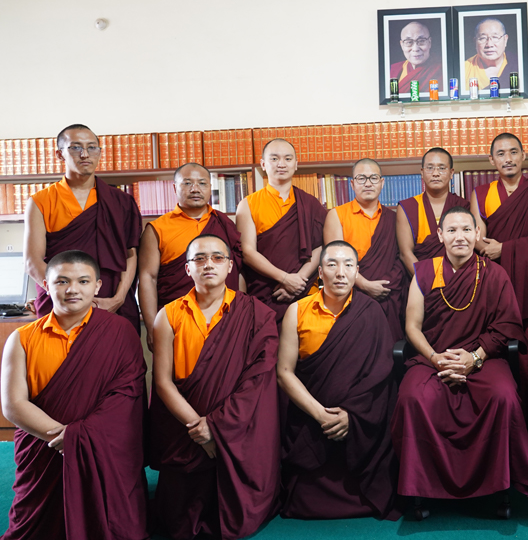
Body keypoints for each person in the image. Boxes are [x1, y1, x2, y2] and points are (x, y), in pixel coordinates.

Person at [392, 207, 528, 504]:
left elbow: (506, 325)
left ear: (477, 234)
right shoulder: (425, 271)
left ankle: (499, 485)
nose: (459, 236)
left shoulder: (494, 273)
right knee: (412, 397)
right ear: (440, 235)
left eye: (466, 230)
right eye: (452, 230)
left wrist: (475, 358)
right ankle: (419, 488)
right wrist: (435, 358)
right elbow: (412, 327)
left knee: (503, 396)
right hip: (433, 358)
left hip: (484, 358)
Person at [1, 250, 148, 539]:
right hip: (45, 446)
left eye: (83, 281)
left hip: (104, 444)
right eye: (62, 281)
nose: (72, 289)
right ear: (46, 285)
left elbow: (127, 393)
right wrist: (66, 437)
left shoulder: (120, 331)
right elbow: (13, 404)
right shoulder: (22, 338)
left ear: (97, 286)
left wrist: (79, 436)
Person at [149, 234, 280, 540]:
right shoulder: (168, 315)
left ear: (230, 266)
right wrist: (199, 427)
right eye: (199, 258)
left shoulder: (255, 313)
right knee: (178, 520)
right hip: (185, 427)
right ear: (187, 268)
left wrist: (218, 427)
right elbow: (163, 382)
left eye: (218, 257)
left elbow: (256, 379)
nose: (209, 264)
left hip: (237, 424)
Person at [278, 240, 399, 521]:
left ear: (357, 272)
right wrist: (321, 415)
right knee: (303, 500)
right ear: (320, 272)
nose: (341, 273)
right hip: (311, 417)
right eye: (332, 265)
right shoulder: (297, 311)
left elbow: (379, 376)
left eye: (348, 265)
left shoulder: (371, 312)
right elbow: (284, 372)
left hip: (357, 420)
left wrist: (350, 416)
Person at [470, 133, 528, 451]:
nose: (507, 158)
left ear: (524, 156)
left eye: (513, 152)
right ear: (491, 160)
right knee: (498, 355)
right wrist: (491, 249)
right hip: (495, 284)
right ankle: (508, 429)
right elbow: (477, 236)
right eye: (500, 153)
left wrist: (506, 248)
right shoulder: (481, 193)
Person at [25, 124, 142, 333]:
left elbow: (130, 254)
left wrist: (119, 297)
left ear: (99, 152)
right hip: (60, 305)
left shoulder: (121, 201)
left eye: (92, 147)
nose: (85, 154)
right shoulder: (41, 201)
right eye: (76, 147)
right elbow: (32, 261)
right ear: (60, 154)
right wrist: (67, 295)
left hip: (109, 302)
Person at [139, 162, 243, 350]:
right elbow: (148, 278)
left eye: (202, 183)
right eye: (187, 183)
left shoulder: (224, 223)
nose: (195, 189)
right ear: (174, 188)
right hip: (176, 321)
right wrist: (153, 326)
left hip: (225, 319)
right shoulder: (157, 228)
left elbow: (238, 272)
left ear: (210, 187)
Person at [236, 138, 326, 323]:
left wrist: (298, 281)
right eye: (274, 158)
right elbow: (247, 252)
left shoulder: (310, 203)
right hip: (266, 292)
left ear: (296, 164)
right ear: (263, 164)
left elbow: (320, 246)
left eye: (288, 158)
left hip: (305, 290)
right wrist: (284, 278)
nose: (281, 164)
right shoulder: (248, 204)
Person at [323, 158, 407, 342]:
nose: (368, 183)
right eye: (361, 178)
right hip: (350, 296)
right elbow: (335, 263)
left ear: (382, 182)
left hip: (387, 295)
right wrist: (365, 285)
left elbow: (400, 258)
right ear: (352, 184)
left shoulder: (393, 218)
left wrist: (387, 284)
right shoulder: (337, 215)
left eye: (373, 178)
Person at [397, 147, 470, 276]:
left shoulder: (463, 206)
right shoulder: (408, 207)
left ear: (451, 173)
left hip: (458, 278)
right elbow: (405, 254)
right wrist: (426, 280)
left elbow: (467, 249)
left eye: (442, 168)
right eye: (430, 168)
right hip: (420, 280)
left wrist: (455, 280)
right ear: (422, 172)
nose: (435, 173)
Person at [389, 20, 444, 95]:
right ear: (402, 45)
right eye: (409, 42)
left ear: (429, 42)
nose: (415, 49)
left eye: (421, 41)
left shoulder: (442, 69)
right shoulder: (392, 70)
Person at [463, 18, 512, 91]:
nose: (489, 44)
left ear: (505, 40)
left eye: (495, 37)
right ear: (475, 42)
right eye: (483, 38)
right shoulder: (464, 69)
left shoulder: (517, 65)